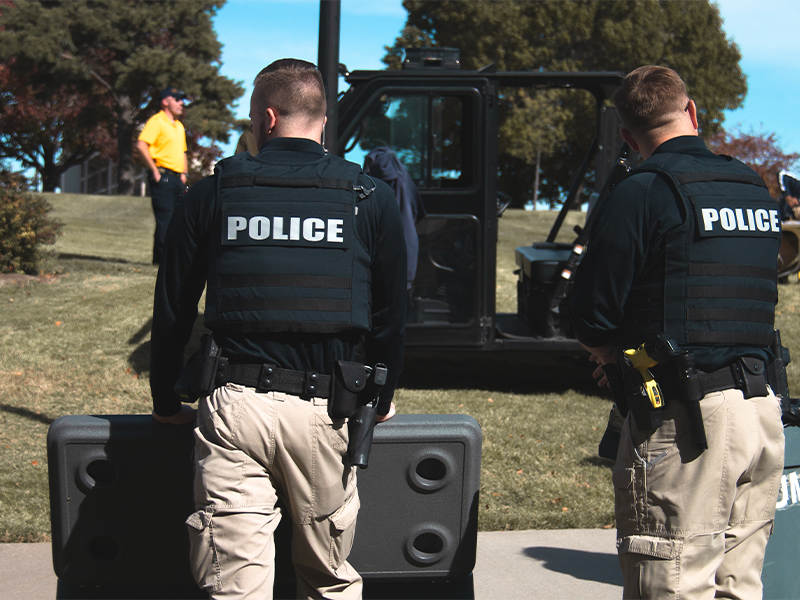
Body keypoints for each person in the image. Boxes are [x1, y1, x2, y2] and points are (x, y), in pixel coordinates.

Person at [149, 58, 407, 599]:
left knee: (234, 586)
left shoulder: (211, 195)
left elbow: (173, 307)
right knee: (327, 581)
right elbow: (389, 314)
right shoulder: (369, 199)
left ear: (266, 119)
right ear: (323, 120)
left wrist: (165, 398)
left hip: (234, 407)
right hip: (327, 410)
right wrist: (380, 395)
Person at [571, 65, 784, 599]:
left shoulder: (640, 191)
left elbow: (589, 315)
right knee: (740, 585)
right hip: (762, 409)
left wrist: (610, 355)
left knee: (671, 581)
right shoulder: (752, 187)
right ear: (692, 113)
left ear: (626, 135)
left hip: (686, 422)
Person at [136, 86, 189, 264]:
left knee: (178, 221)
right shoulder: (156, 121)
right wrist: (154, 171)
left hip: (177, 179)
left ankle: (172, 260)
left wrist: (184, 174)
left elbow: (183, 152)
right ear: (165, 102)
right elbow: (141, 145)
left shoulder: (179, 126)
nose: (182, 103)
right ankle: (160, 262)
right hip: (163, 176)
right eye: (177, 99)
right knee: (165, 220)